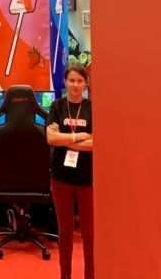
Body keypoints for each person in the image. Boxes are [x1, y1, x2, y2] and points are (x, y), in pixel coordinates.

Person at [47, 63, 95, 279]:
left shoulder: (92, 108)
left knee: (89, 233)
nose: (76, 85)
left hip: (87, 177)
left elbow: (96, 144)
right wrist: (78, 137)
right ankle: (65, 275)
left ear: (86, 83)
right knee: (65, 231)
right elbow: (51, 138)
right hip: (61, 176)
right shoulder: (56, 107)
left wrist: (64, 140)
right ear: (65, 82)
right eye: (72, 80)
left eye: (80, 81)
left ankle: (90, 275)